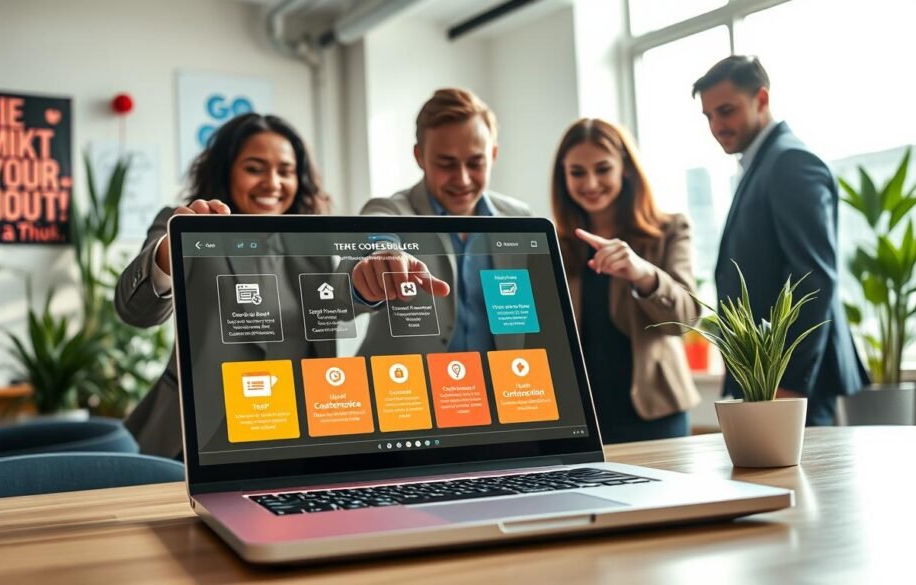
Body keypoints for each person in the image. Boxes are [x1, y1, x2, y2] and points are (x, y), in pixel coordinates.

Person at [115, 113, 330, 457]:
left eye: (285, 171)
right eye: (255, 168)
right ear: (225, 171)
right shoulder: (185, 223)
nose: (272, 183)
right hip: (195, 439)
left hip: (294, 441)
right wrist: (170, 251)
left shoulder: (314, 244)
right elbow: (135, 311)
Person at [692, 55, 867, 425]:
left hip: (788, 387)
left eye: (726, 111)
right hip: (768, 383)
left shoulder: (790, 162)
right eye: (708, 116)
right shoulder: (764, 162)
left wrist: (788, 384)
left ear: (762, 99)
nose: (717, 126)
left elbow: (814, 279)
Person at [348, 88, 532, 356]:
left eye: (475, 163)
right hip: (406, 391)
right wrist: (381, 259)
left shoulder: (520, 218)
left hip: (499, 387)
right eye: (447, 164)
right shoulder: (390, 211)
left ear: (492, 155)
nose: (463, 179)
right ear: (419, 156)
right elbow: (375, 237)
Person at [552, 118, 701, 443]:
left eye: (603, 169)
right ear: (563, 177)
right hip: (581, 419)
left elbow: (686, 320)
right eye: (577, 172)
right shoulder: (555, 244)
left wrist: (643, 274)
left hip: (654, 414)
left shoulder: (669, 230)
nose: (590, 183)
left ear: (626, 169)